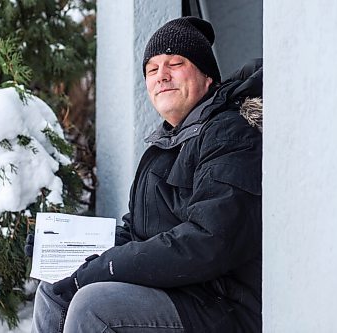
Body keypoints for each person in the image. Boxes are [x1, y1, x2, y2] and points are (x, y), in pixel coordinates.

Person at [30, 16, 263, 332]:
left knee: (93, 307)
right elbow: (138, 232)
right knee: (54, 292)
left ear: (208, 77)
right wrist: (58, 247)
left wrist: (108, 266)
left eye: (175, 63)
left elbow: (209, 241)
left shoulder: (228, 134)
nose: (162, 76)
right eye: (152, 70)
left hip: (222, 305)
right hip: (182, 293)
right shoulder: (163, 148)